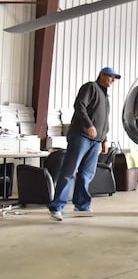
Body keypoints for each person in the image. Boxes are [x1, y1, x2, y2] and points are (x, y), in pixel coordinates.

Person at [48, 67, 121, 221]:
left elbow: (103, 121)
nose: (113, 80)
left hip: (96, 141)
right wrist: (89, 125)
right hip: (81, 136)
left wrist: (104, 139)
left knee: (86, 174)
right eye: (111, 77)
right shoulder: (91, 87)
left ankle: (82, 206)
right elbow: (79, 106)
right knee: (69, 171)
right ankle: (56, 207)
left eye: (115, 78)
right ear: (102, 75)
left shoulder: (106, 97)